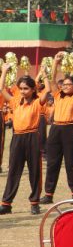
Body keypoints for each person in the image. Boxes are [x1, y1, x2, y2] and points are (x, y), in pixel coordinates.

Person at [0, 63, 46, 214]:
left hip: (32, 137)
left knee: (35, 170)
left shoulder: (37, 102)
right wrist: (4, 71)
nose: (22, 91)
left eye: (26, 88)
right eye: (20, 88)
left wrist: (44, 75)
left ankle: (35, 203)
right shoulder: (15, 101)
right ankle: (6, 204)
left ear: (33, 89)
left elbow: (48, 90)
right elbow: (1, 89)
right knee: (14, 170)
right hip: (17, 137)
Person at [41, 53, 73, 203]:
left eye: (68, 84)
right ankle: (48, 194)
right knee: (52, 163)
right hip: (56, 129)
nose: (65, 86)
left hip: (70, 129)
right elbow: (53, 79)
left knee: (71, 163)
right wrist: (55, 62)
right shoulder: (58, 95)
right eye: (64, 84)